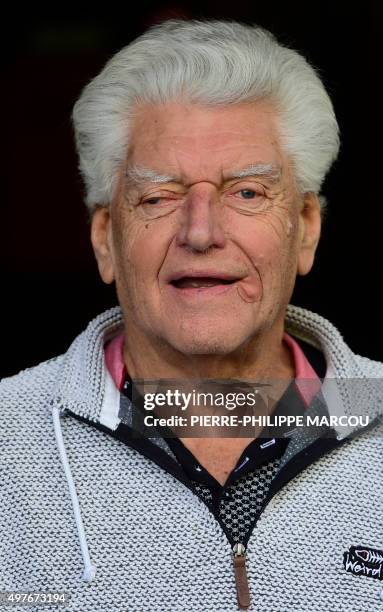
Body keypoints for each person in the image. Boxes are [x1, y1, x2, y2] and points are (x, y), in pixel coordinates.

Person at [1, 19, 382, 612]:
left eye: (247, 193)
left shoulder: (374, 405)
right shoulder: (10, 435)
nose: (201, 233)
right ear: (106, 238)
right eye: (158, 197)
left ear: (305, 229)